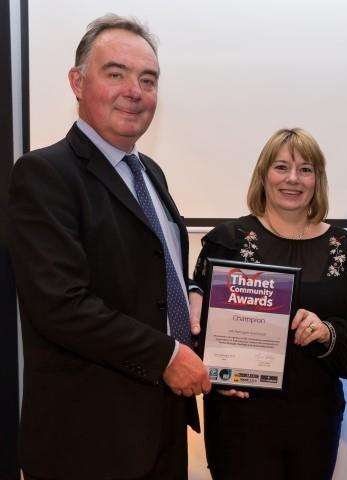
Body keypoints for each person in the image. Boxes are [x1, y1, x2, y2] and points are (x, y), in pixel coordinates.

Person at [7, 15, 209, 480]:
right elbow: (61, 306)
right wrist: (167, 355)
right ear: (78, 82)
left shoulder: (150, 174)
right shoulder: (45, 174)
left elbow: (153, 272)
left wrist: (190, 294)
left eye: (148, 79)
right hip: (88, 438)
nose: (134, 91)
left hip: (160, 424)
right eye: (115, 73)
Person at [190, 128, 347, 480]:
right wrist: (211, 371)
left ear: (317, 180)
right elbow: (194, 322)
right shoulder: (226, 241)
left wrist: (328, 332)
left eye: (305, 169)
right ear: (263, 175)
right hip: (238, 417)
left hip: (315, 419)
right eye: (281, 167)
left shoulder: (344, 248)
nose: (293, 179)